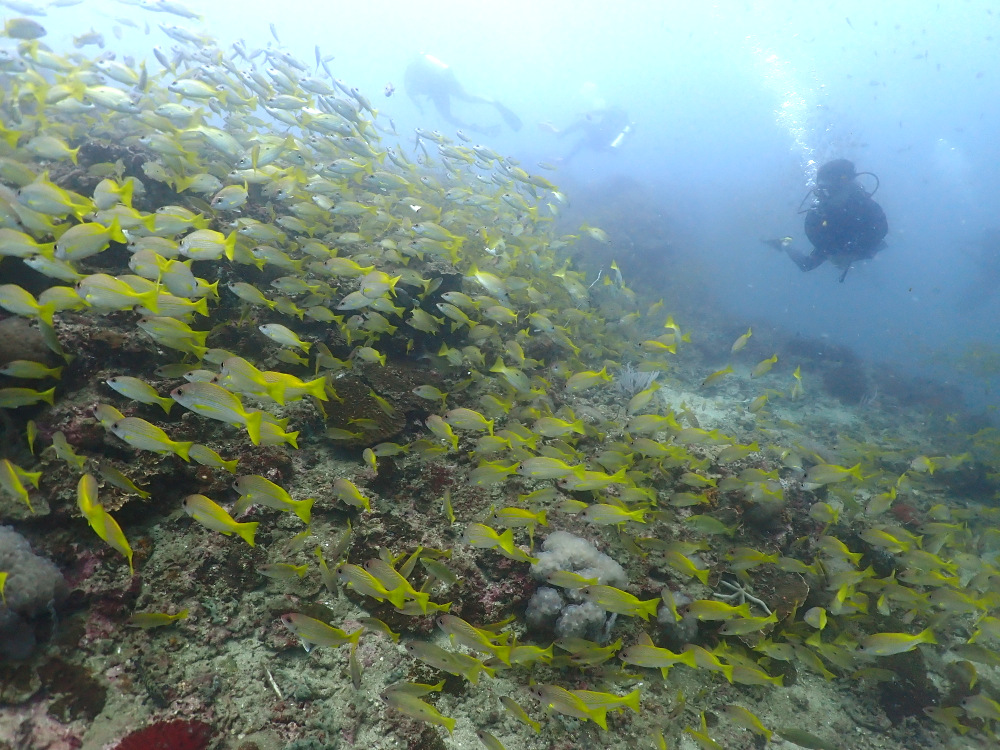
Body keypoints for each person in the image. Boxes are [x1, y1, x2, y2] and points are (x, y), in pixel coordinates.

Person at [765, 159, 888, 282]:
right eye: (821, 192)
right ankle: (785, 243)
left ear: (848, 186)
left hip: (858, 246)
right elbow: (812, 233)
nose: (825, 197)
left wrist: (854, 253)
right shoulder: (818, 212)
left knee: (874, 251)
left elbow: (880, 231)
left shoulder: (867, 207)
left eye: (831, 191)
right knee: (806, 265)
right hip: (832, 243)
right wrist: (831, 253)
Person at [403, 53, 522, 134]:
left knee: (448, 117)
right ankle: (494, 103)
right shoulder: (421, 68)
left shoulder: (409, 77)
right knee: (468, 98)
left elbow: (412, 94)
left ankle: (476, 128)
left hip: (438, 90)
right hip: (446, 80)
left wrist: (420, 108)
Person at [547, 105, 634, 163]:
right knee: (582, 141)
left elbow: (600, 111)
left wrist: (585, 112)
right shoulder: (625, 120)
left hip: (600, 138)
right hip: (604, 145)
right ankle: (566, 160)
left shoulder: (613, 111)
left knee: (582, 123)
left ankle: (561, 135)